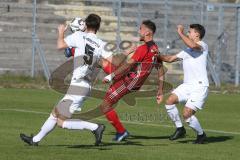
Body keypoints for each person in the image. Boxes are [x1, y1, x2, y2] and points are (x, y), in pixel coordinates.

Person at [20, 13, 117, 146]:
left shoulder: (79, 36)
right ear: (98, 27)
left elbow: (60, 45)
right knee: (55, 113)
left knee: (62, 122)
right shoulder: (101, 44)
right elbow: (112, 63)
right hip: (85, 85)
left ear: (86, 25)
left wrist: (61, 32)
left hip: (78, 86)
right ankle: (35, 140)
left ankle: (95, 128)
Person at [100, 20, 164, 141]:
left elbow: (128, 65)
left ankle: (121, 132)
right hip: (131, 81)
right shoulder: (155, 49)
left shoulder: (143, 48)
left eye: (140, 29)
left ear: (147, 32)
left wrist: (111, 76)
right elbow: (160, 68)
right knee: (103, 61)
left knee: (105, 105)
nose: (138, 31)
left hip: (128, 82)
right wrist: (160, 90)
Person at [159, 24, 208, 144]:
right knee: (169, 101)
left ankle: (201, 135)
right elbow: (169, 59)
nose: (188, 33)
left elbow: (192, 45)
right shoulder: (187, 50)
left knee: (186, 114)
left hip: (200, 86)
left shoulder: (202, 45)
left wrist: (180, 33)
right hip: (187, 85)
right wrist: (156, 56)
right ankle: (180, 129)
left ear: (197, 34)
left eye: (190, 32)